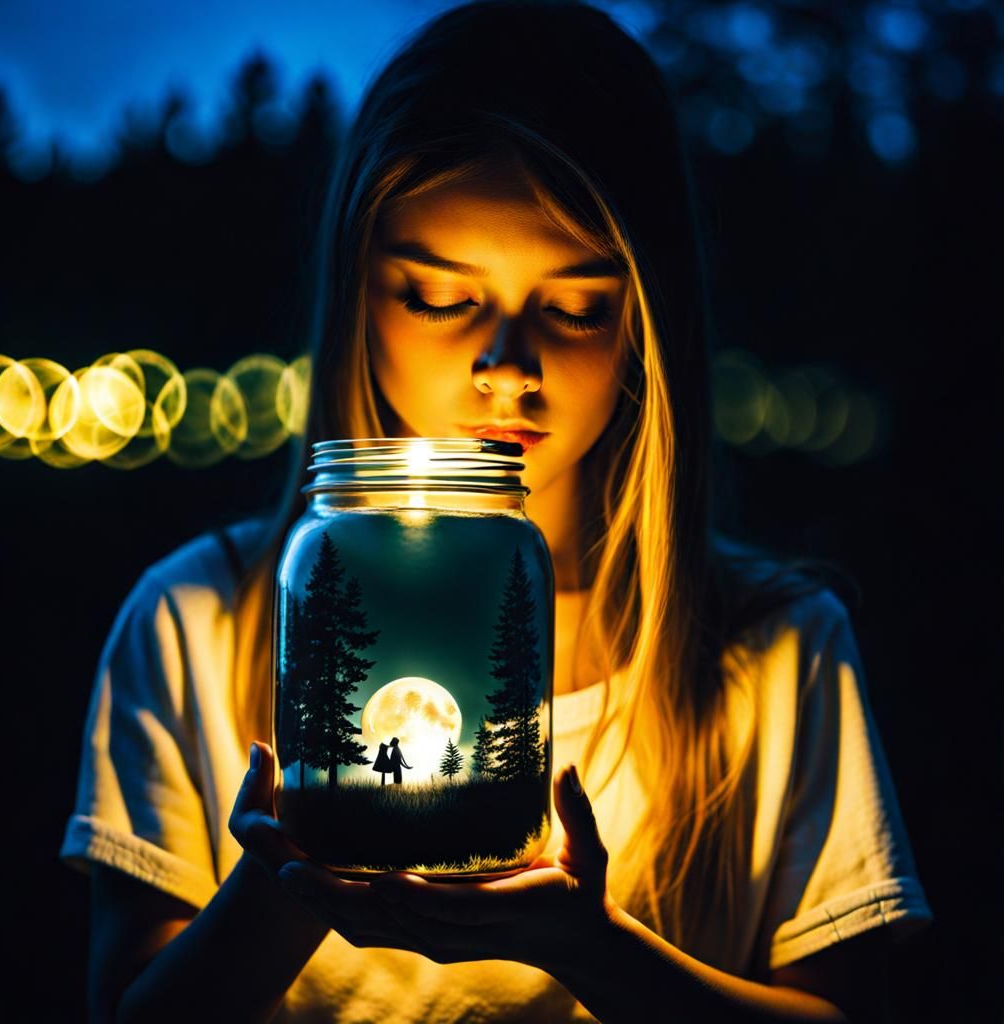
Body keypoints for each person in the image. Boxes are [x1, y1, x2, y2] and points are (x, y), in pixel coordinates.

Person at [59, 2, 934, 1021]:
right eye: (440, 297)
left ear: (649, 321)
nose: (507, 367)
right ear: (356, 294)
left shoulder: (773, 653)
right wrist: (295, 881)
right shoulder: (197, 627)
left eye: (574, 307)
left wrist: (593, 949)